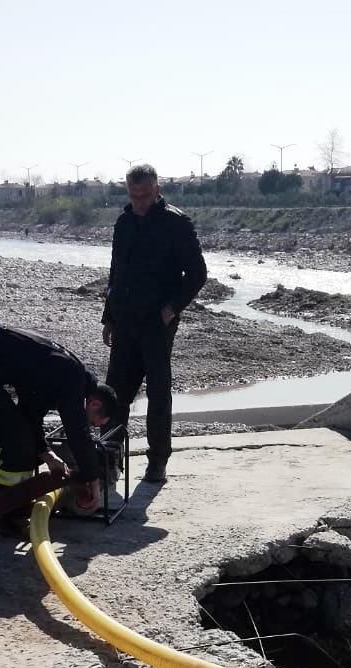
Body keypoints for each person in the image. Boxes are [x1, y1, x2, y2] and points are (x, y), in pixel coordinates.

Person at [0, 320, 119, 538]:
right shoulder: (73, 379)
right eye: (93, 423)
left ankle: (4, 505)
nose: (89, 427)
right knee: (14, 444)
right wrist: (92, 480)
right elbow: (78, 433)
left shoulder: (64, 375)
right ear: (95, 405)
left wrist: (48, 454)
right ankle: (9, 516)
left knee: (12, 438)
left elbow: (30, 414)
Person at [101, 163, 207, 484]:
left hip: (157, 323)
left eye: (145, 196)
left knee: (158, 394)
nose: (139, 202)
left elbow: (198, 274)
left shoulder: (177, 223)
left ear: (157, 190)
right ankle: (109, 459)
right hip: (124, 321)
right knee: (115, 395)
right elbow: (115, 274)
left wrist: (171, 308)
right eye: (134, 196)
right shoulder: (124, 222)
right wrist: (109, 317)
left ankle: (157, 461)